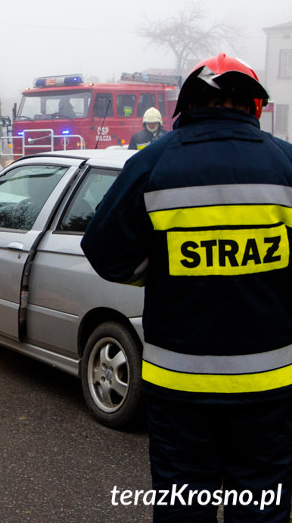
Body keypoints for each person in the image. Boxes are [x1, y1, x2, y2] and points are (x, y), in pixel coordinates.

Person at [81, 53, 292, 522]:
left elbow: (103, 251)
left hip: (179, 387)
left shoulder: (154, 161)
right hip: (270, 387)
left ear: (187, 105)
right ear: (255, 106)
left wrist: (160, 270)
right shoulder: (286, 162)